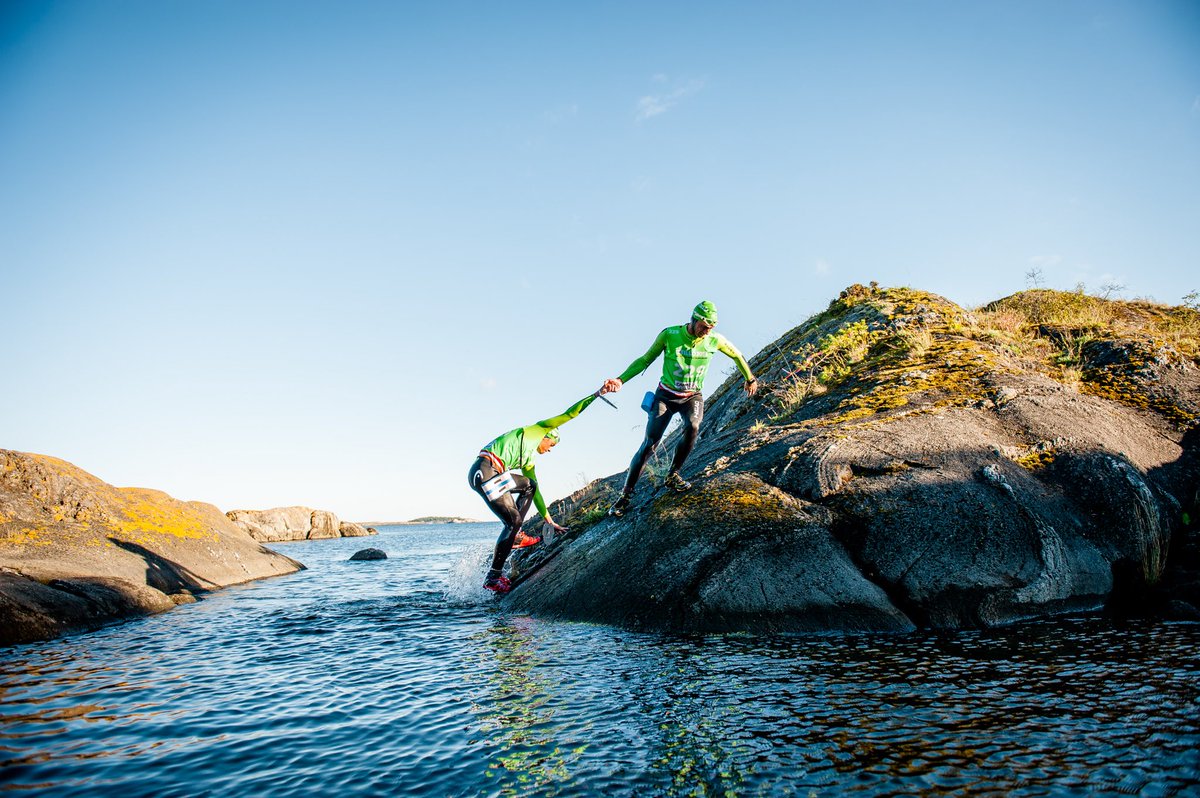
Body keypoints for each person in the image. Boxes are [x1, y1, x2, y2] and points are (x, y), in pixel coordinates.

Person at [600, 300, 757, 516]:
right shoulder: (670, 334)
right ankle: (625, 496)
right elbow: (645, 360)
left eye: (710, 328)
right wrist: (620, 380)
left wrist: (750, 378)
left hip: (692, 397)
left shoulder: (714, 340)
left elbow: (737, 355)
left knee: (693, 426)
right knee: (650, 444)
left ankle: (673, 475)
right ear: (693, 320)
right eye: (703, 326)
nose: (706, 331)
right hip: (665, 396)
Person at [468, 392, 599, 593]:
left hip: (485, 475)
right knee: (516, 517)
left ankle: (511, 544)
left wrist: (549, 520)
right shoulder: (537, 430)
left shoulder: (528, 461)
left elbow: (534, 492)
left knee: (527, 491)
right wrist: (597, 394)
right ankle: (495, 575)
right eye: (551, 445)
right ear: (547, 437)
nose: (550, 450)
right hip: (486, 470)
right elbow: (571, 414)